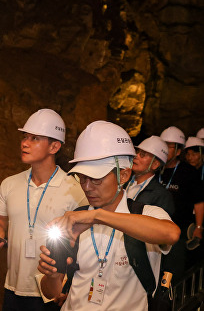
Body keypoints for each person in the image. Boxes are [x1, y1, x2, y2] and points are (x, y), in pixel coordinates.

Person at [38, 121, 180, 310]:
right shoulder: (76, 219)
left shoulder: (146, 213)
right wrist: (52, 275)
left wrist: (97, 217)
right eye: (82, 178)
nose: (86, 187)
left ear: (123, 175)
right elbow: (52, 293)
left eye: (96, 179)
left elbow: (171, 234)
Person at [0, 109, 87, 310]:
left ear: (54, 146)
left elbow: (85, 245)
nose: (24, 143)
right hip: (12, 288)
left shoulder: (75, 189)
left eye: (35, 138)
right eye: (24, 137)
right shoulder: (9, 184)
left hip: (53, 292)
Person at [159, 126, 203, 279]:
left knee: (173, 271)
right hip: (155, 228)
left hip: (179, 231)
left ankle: (172, 300)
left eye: (168, 146)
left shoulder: (189, 173)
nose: (163, 149)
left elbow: (198, 202)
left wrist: (198, 227)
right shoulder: (155, 168)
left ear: (178, 151)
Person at [127, 135, 174, 216]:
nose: (136, 156)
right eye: (137, 152)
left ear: (155, 164)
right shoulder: (122, 182)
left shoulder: (161, 196)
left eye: (142, 154)